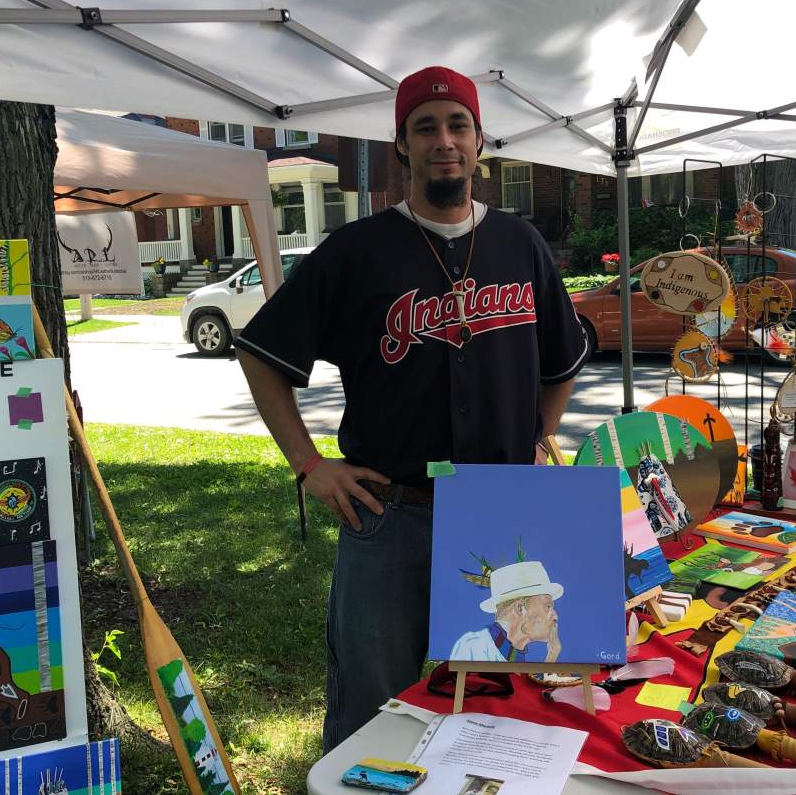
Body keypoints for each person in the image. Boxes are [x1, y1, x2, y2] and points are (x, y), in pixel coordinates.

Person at [235, 65, 588, 752]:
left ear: (480, 141)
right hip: (391, 517)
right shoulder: (356, 251)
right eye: (425, 128)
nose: (443, 141)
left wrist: (540, 437)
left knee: (503, 713)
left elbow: (562, 361)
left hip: (501, 516)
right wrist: (309, 464)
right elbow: (261, 354)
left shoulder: (521, 244)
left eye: (458, 126)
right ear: (401, 145)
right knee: (370, 717)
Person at [449, 560, 563, 662]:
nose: (555, 616)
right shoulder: (473, 647)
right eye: (548, 606)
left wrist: (551, 658)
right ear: (520, 608)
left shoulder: (514, 656)